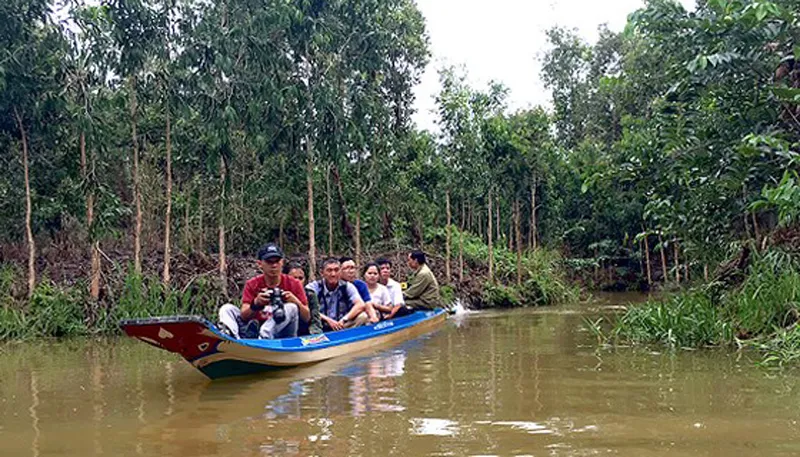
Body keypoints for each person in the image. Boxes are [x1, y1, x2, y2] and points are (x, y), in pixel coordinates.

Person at [218, 243, 307, 339]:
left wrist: (296, 302)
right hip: (253, 328)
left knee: (291, 307)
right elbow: (243, 315)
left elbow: (307, 317)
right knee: (227, 308)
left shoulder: (294, 283)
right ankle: (230, 338)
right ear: (260, 264)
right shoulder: (252, 284)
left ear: (282, 263)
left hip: (282, 334)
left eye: (277, 261)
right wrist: (256, 304)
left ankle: (263, 336)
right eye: (269, 262)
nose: (274, 265)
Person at [307, 258, 371, 331]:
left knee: (363, 316)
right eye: (329, 270)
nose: (333, 274)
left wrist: (344, 319)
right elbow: (306, 308)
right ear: (322, 273)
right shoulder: (314, 287)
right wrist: (328, 320)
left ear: (340, 272)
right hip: (320, 324)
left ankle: (348, 338)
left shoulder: (347, 286)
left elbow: (360, 304)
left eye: (336, 270)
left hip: (340, 325)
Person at [283, 262, 323, 335]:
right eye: (294, 278)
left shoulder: (310, 295)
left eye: (301, 278)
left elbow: (315, 322)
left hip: (305, 336)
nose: (297, 281)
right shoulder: (280, 294)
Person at [340, 256, 379, 323]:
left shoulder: (360, 285)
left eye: (352, 268)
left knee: (366, 316)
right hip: (336, 318)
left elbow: (368, 304)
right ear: (339, 270)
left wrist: (373, 317)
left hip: (352, 318)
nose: (351, 271)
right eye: (347, 268)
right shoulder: (335, 285)